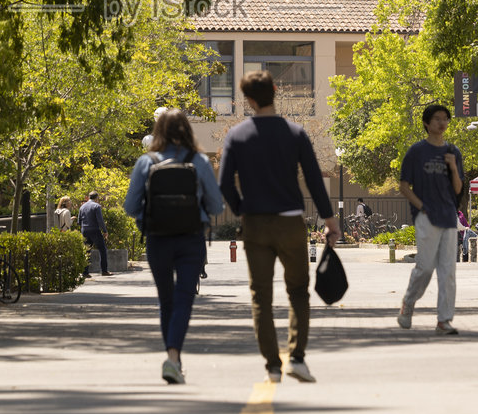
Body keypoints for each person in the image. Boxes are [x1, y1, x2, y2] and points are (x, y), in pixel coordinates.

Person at [218, 70, 340, 384]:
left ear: (248, 99)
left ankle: (272, 365)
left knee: (261, 296)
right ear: (274, 90)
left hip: (255, 224)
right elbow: (314, 179)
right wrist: (329, 221)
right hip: (290, 222)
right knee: (298, 291)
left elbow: (224, 183)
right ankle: (296, 358)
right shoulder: (295, 133)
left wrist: (243, 209)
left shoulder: (237, 135)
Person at [124, 109, 224, 385]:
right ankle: (172, 357)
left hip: (157, 239)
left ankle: (173, 359)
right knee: (184, 298)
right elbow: (216, 206)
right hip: (191, 239)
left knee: (166, 300)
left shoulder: (146, 162)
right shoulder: (199, 161)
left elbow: (131, 207)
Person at [396, 104, 465, 334]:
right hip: (426, 216)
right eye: (437, 119)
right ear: (427, 123)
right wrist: (422, 207)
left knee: (448, 271)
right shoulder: (417, 151)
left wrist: (453, 168)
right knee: (425, 268)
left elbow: (458, 189)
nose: (442, 122)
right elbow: (404, 186)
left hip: (448, 216)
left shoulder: (453, 152)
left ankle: (444, 320)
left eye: (445, 118)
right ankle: (408, 302)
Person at [79, 191, 111, 277]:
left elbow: (79, 221)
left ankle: (85, 272)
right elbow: (100, 220)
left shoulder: (82, 207)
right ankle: (104, 271)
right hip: (95, 230)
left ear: (89, 197)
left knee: (86, 251)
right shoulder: (97, 206)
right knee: (102, 250)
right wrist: (105, 231)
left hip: (84, 230)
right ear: (96, 198)